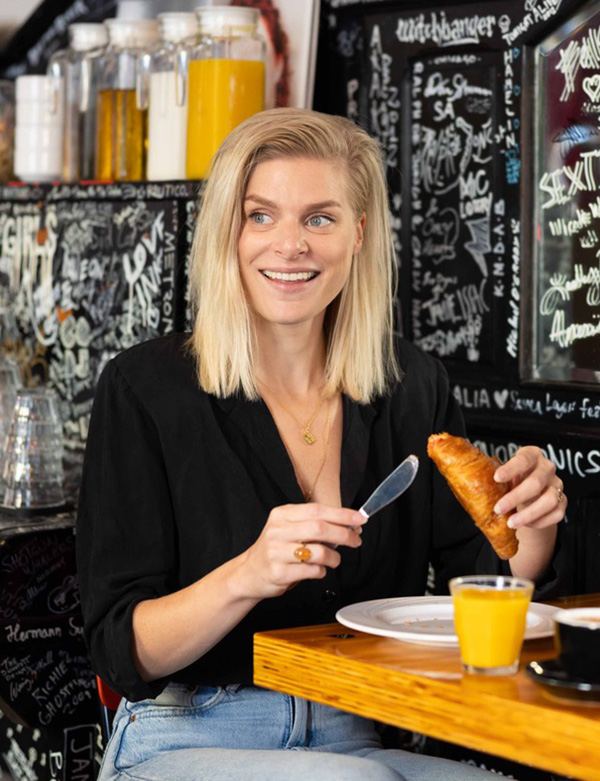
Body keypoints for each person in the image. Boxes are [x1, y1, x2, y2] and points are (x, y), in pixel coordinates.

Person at [76, 108, 569, 781]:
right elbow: (123, 651)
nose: (290, 244)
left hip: (358, 725)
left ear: (358, 232)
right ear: (228, 230)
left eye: (319, 217)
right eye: (261, 215)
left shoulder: (411, 385)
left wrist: (528, 524)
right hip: (184, 731)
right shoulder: (145, 388)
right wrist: (249, 571)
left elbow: (482, 586)